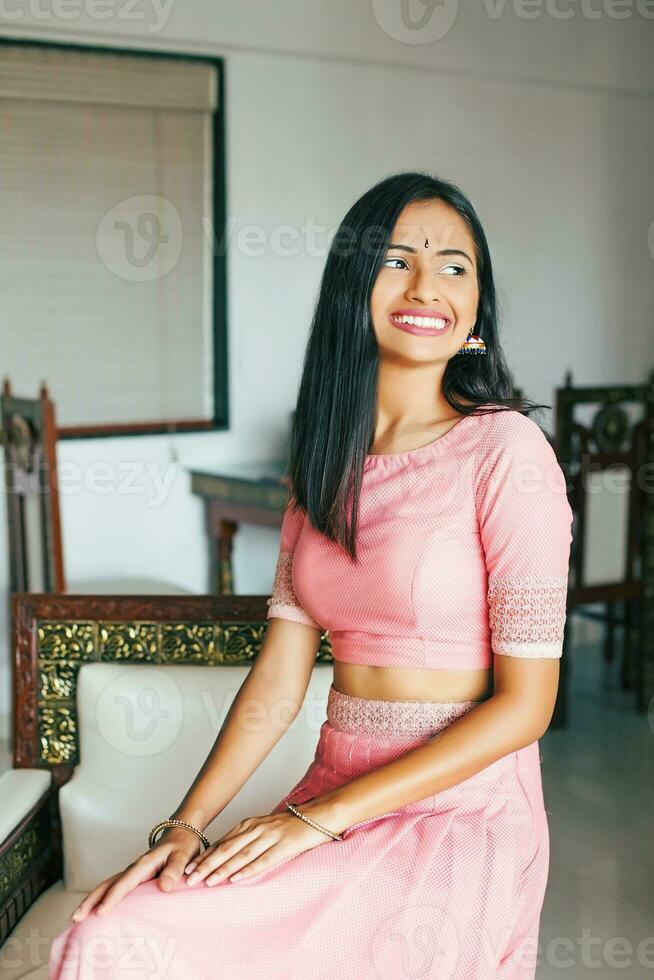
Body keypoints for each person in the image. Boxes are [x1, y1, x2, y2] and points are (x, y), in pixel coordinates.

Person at [49, 171, 573, 979]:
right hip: (330, 783)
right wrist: (185, 825)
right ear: (352, 289)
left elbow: (526, 708)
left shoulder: (506, 454)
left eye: (455, 266)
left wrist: (318, 823)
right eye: (398, 261)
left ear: (478, 305)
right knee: (112, 938)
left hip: (458, 809)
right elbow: (277, 685)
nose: (427, 285)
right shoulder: (324, 463)